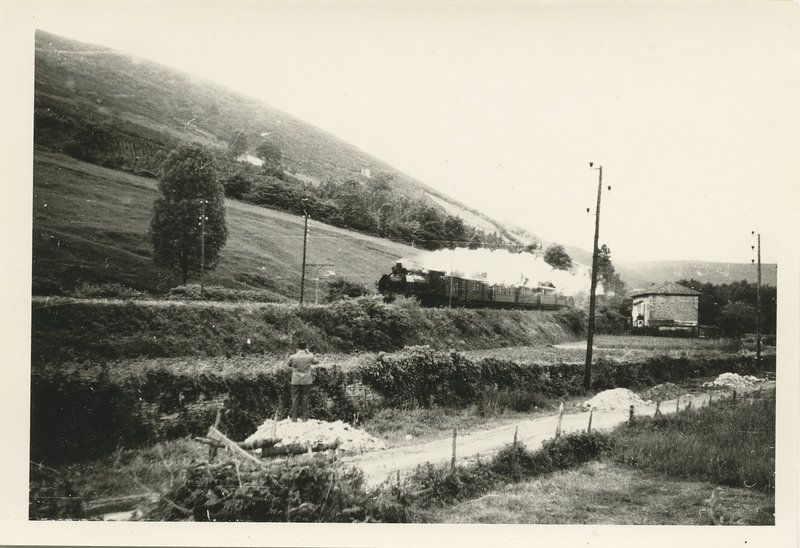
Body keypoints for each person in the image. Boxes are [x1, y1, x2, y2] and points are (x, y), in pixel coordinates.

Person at [287, 341, 318, 421]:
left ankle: (294, 418)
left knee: (295, 398)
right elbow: (316, 361)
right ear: (305, 347)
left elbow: (289, 364)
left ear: (297, 347)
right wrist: (309, 352)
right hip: (307, 380)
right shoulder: (310, 356)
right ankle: (304, 418)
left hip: (296, 380)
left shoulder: (293, 357)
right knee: (305, 398)